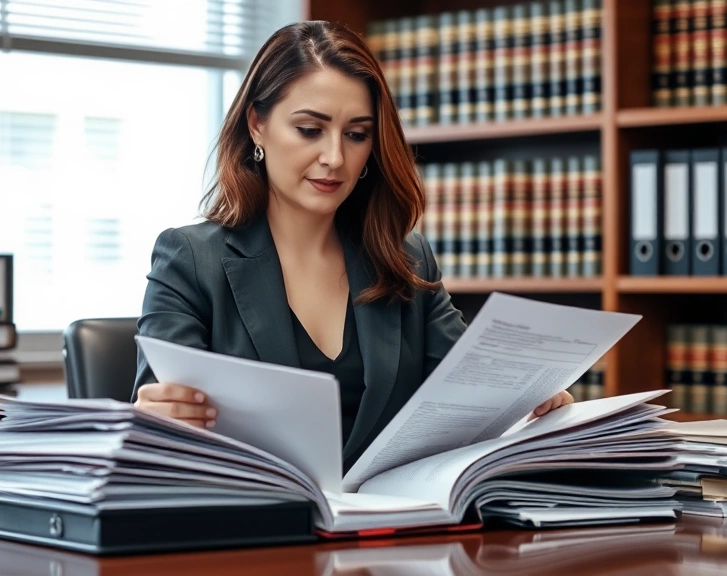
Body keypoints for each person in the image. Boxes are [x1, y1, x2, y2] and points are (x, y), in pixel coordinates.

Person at [131, 20, 572, 471]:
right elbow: (162, 425)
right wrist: (155, 418)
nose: (335, 158)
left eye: (357, 134)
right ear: (257, 125)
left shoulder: (405, 260)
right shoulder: (189, 259)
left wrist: (528, 400)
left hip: (388, 526)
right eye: (309, 129)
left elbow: (474, 394)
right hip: (253, 522)